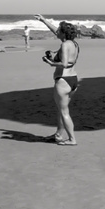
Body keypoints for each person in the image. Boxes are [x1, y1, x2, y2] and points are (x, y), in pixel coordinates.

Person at [34, 14, 80, 145]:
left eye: (59, 30)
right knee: (61, 109)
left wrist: (50, 62)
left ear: (63, 33)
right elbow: (55, 30)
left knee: (64, 112)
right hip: (73, 80)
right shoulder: (73, 44)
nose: (56, 32)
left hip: (63, 81)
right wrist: (43, 20)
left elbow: (64, 64)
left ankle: (72, 139)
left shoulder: (65, 45)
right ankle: (59, 135)